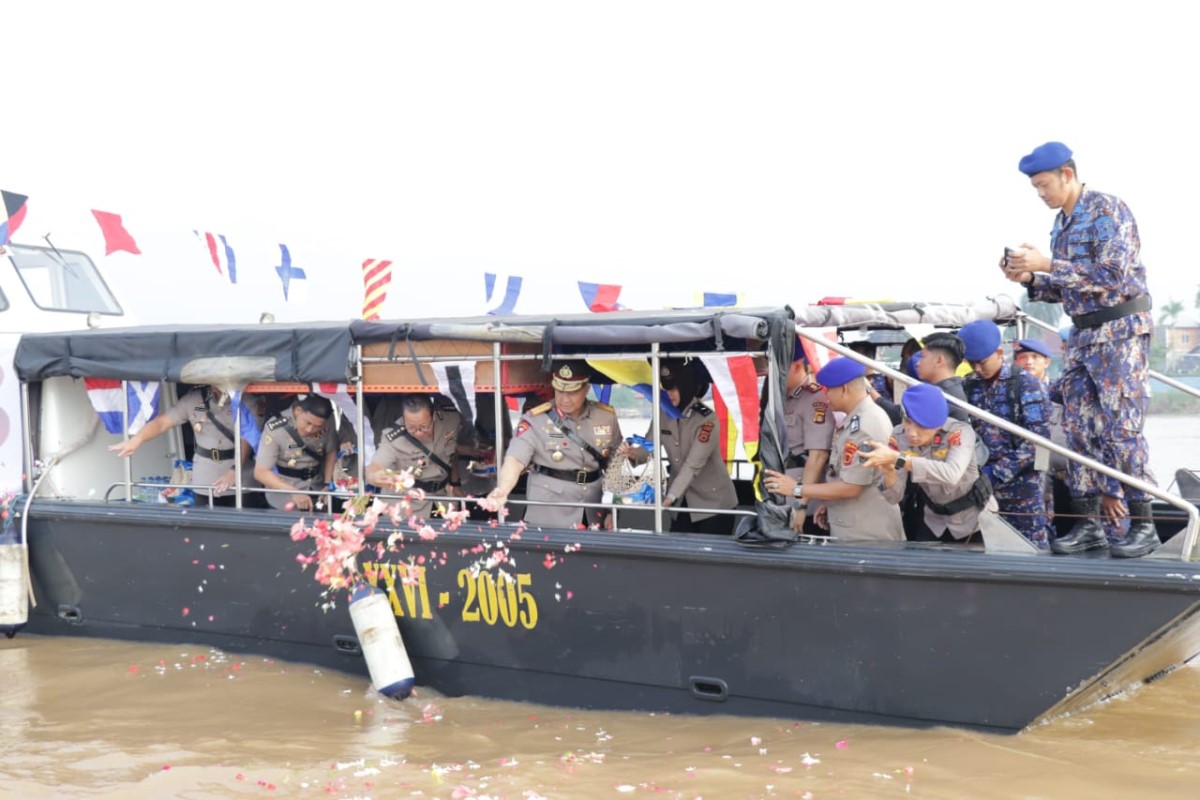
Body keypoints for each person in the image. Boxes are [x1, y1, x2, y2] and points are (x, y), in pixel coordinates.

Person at [1002, 141, 1157, 558]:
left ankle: (1143, 523)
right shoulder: (1062, 224)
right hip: (1084, 336)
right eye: (1035, 187)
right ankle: (1088, 523)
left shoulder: (1108, 210)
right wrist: (1030, 280)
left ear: (1067, 175)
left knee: (1121, 430)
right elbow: (1066, 289)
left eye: (1044, 184)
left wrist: (1047, 264)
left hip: (1120, 331)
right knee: (1079, 430)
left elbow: (1110, 277)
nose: (1041, 193)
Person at [763, 357, 903, 543]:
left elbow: (851, 487)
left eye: (828, 389)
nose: (825, 394)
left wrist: (797, 489)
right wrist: (828, 502)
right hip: (854, 524)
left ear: (844, 389)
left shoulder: (864, 424)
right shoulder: (857, 419)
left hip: (866, 534)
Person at [488, 361, 622, 528]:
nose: (565, 399)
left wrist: (613, 509)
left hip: (593, 509)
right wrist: (503, 489)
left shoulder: (605, 417)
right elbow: (515, 460)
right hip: (550, 511)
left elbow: (616, 466)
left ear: (586, 389)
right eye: (559, 391)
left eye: (572, 392)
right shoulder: (535, 419)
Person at [861, 383, 995, 543]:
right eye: (907, 421)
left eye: (921, 426)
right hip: (935, 522)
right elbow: (893, 497)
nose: (911, 433)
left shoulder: (959, 432)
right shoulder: (898, 435)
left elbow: (951, 474)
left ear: (937, 424)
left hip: (975, 521)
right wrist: (889, 471)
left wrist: (899, 459)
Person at [959, 320, 1052, 549]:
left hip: (1023, 488)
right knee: (988, 548)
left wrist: (997, 473)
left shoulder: (1026, 384)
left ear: (1000, 353)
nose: (977, 369)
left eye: (981, 363)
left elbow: (1036, 442)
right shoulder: (970, 385)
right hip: (982, 488)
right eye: (971, 363)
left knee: (1031, 549)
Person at [618, 360, 737, 534]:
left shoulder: (707, 419)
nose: (669, 394)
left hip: (713, 504)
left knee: (708, 558)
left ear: (687, 387)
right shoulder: (663, 413)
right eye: (666, 389)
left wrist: (669, 498)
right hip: (682, 501)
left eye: (674, 389)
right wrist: (632, 454)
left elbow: (693, 465)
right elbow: (649, 446)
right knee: (678, 552)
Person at [110, 384, 263, 508]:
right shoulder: (194, 399)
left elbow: (248, 439)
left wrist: (234, 472)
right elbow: (162, 423)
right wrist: (136, 440)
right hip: (205, 477)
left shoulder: (248, 401)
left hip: (241, 477)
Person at [367, 394, 463, 520]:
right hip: (406, 504)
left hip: (442, 496)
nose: (418, 432)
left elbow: (452, 452)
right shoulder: (394, 438)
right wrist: (376, 477)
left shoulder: (451, 420)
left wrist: (455, 483)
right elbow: (375, 468)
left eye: (423, 426)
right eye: (411, 427)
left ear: (433, 416)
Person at [254, 395, 338, 511]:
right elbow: (261, 472)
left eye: (317, 427)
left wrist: (327, 484)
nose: (310, 430)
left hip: (317, 489)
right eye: (307, 423)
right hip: (284, 491)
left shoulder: (327, 422)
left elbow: (331, 452)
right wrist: (293, 491)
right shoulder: (276, 427)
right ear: (298, 411)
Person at [781, 349, 834, 498]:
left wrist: (801, 503)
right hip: (780, 483)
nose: (772, 374)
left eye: (777, 368)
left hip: (800, 486)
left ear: (797, 366)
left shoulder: (814, 399)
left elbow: (818, 455)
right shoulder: (781, 398)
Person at [914, 332, 970, 422]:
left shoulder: (944, 395)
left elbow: (911, 418)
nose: (918, 363)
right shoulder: (953, 388)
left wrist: (882, 400)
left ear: (939, 360)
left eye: (922, 357)